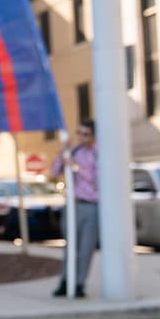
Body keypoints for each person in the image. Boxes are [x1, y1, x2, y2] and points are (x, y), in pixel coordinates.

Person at [51, 119, 98, 298]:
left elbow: (96, 180)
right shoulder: (74, 152)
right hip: (72, 205)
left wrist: (75, 168)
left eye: (86, 134)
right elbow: (55, 172)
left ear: (93, 136)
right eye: (79, 133)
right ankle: (65, 281)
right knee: (70, 247)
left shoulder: (97, 154)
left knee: (85, 249)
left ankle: (79, 283)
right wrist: (61, 153)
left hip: (91, 206)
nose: (81, 137)